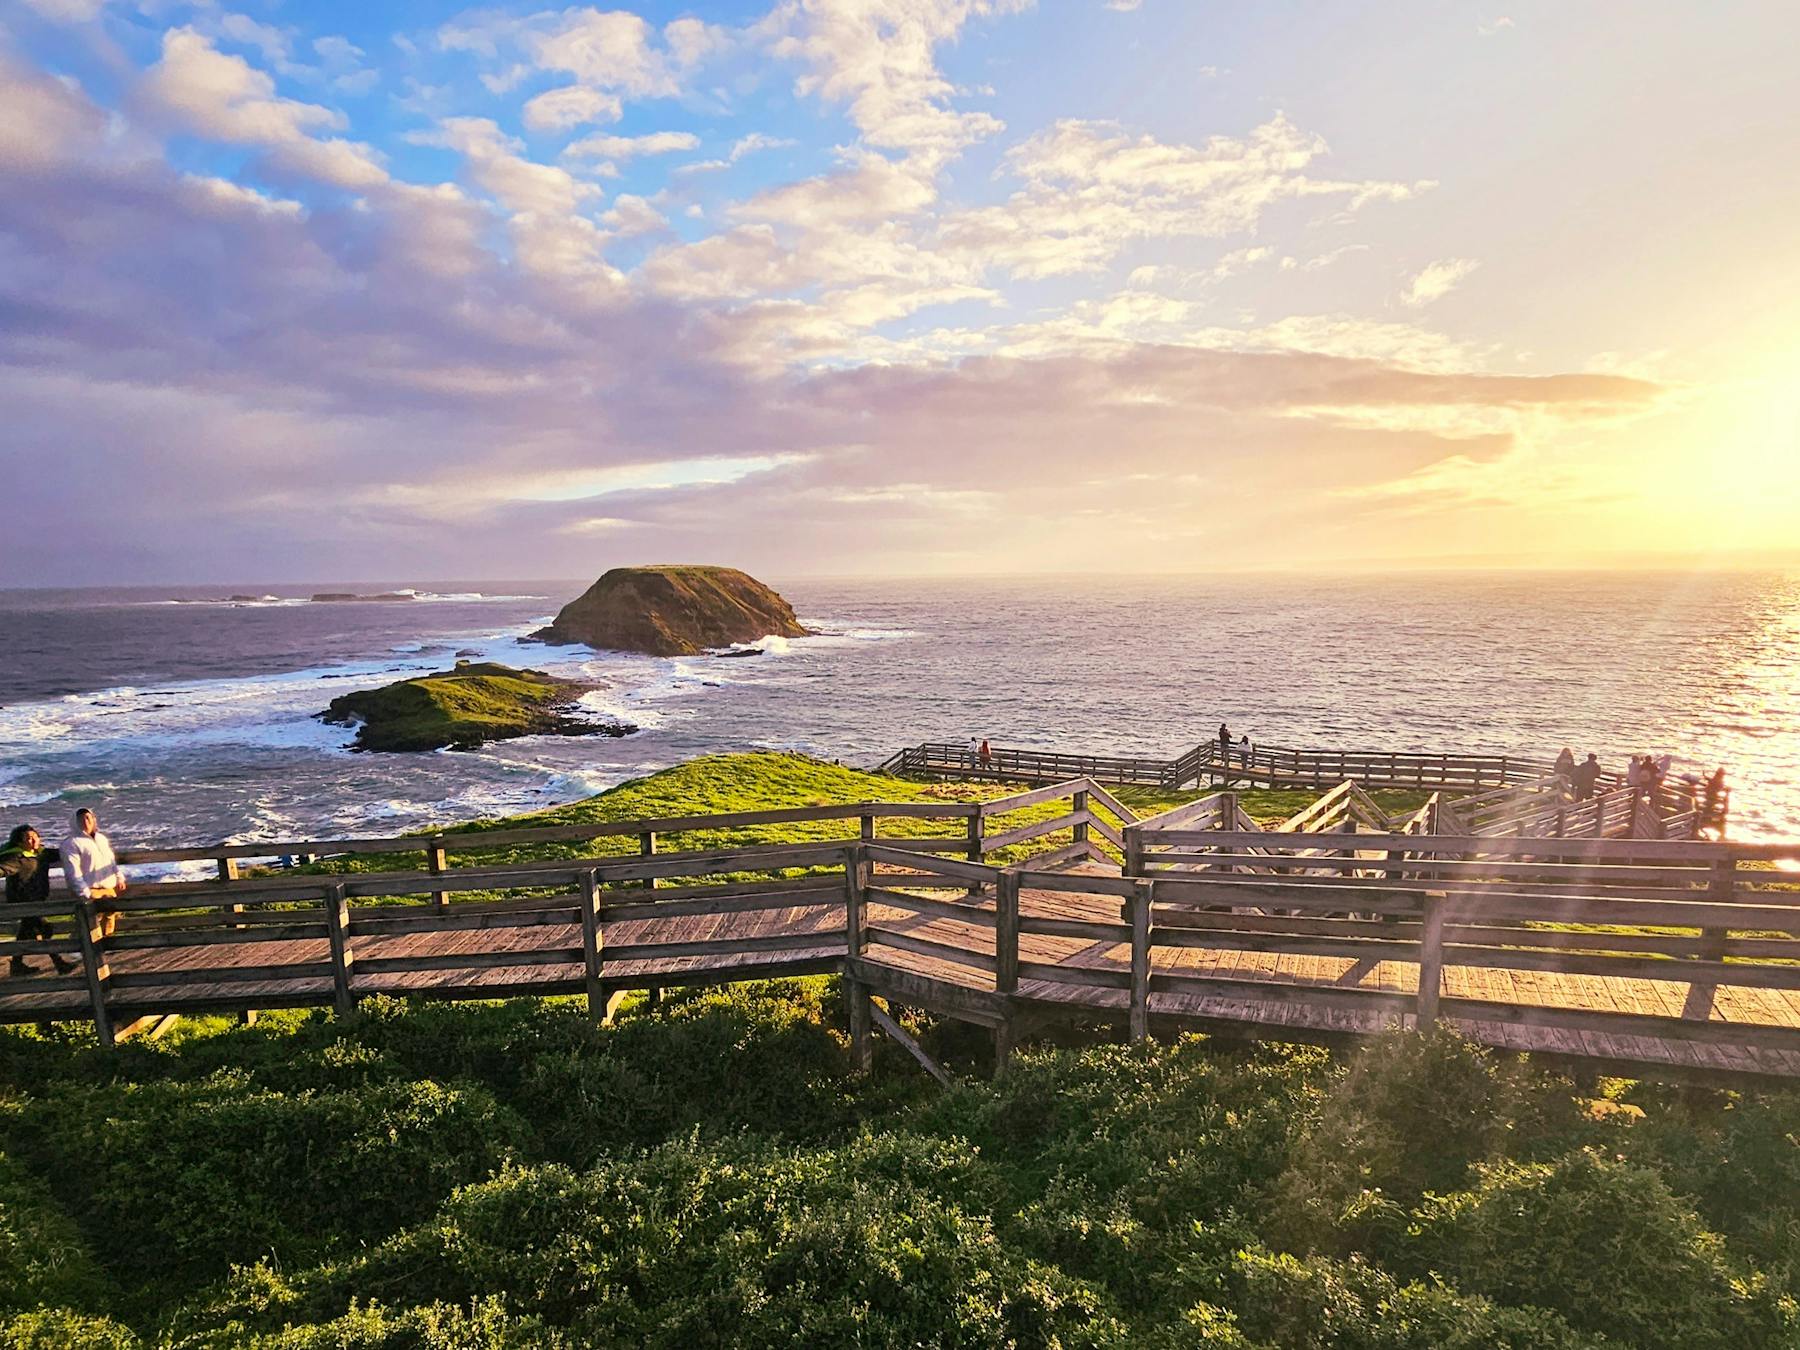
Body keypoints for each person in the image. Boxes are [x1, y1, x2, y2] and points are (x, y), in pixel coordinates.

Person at [2, 825, 72, 977]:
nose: (33, 840)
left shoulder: (43, 854)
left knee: (26, 931)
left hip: (37, 901)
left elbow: (66, 853)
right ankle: (59, 963)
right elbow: (3, 868)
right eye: (28, 838)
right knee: (44, 929)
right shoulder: (17, 858)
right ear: (20, 843)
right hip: (23, 902)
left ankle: (17, 965)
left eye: (35, 836)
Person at [62, 808, 125, 938]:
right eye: (81, 819)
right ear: (74, 822)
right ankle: (78, 950)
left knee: (108, 923)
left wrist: (119, 876)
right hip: (90, 889)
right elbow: (72, 871)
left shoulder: (101, 839)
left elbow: (110, 860)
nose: (85, 821)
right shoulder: (71, 843)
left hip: (107, 887)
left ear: (94, 819)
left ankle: (105, 950)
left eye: (88, 818)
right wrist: (84, 892)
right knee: (89, 925)